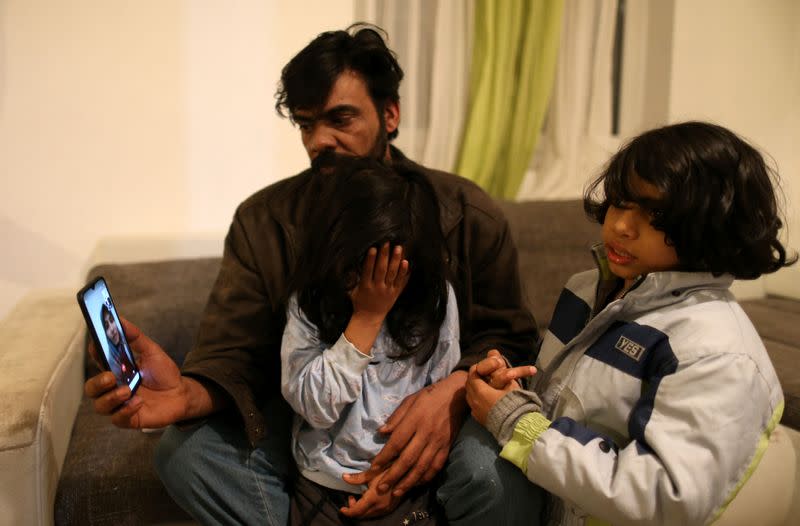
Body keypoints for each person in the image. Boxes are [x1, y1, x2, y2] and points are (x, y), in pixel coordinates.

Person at [83, 23, 543, 525]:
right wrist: (186, 393)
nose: (320, 140)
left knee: (498, 471)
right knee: (184, 456)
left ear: (390, 114)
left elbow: (511, 337)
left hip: (441, 410)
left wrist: (451, 395)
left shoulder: (464, 211)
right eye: (306, 125)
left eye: (340, 118)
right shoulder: (264, 221)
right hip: (313, 420)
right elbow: (237, 349)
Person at [465, 121, 795, 525]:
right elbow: (568, 401)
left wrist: (518, 424)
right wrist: (512, 392)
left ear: (711, 222)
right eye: (620, 202)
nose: (621, 225)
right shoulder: (586, 289)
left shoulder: (717, 350)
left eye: (655, 213)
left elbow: (665, 498)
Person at [283, 157, 459, 524]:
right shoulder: (310, 301)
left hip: (405, 483)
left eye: (393, 271)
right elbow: (315, 406)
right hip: (321, 481)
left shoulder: (435, 301)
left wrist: (394, 483)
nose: (379, 284)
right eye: (362, 269)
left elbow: (438, 408)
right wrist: (367, 317)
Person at [100, 303, 137, 386]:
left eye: (112, 320)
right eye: (107, 326)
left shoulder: (125, 343)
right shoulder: (112, 363)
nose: (112, 329)